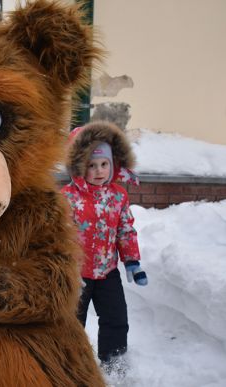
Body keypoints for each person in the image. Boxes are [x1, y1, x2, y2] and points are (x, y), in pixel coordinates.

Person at [61, 121, 147, 377]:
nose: (98, 171)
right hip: (77, 275)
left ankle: (114, 363)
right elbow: (59, 236)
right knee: (73, 324)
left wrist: (132, 261)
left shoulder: (118, 196)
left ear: (113, 164)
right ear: (78, 166)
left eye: (104, 164)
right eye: (91, 165)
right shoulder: (67, 197)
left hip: (108, 272)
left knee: (116, 319)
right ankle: (71, 365)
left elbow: (125, 230)